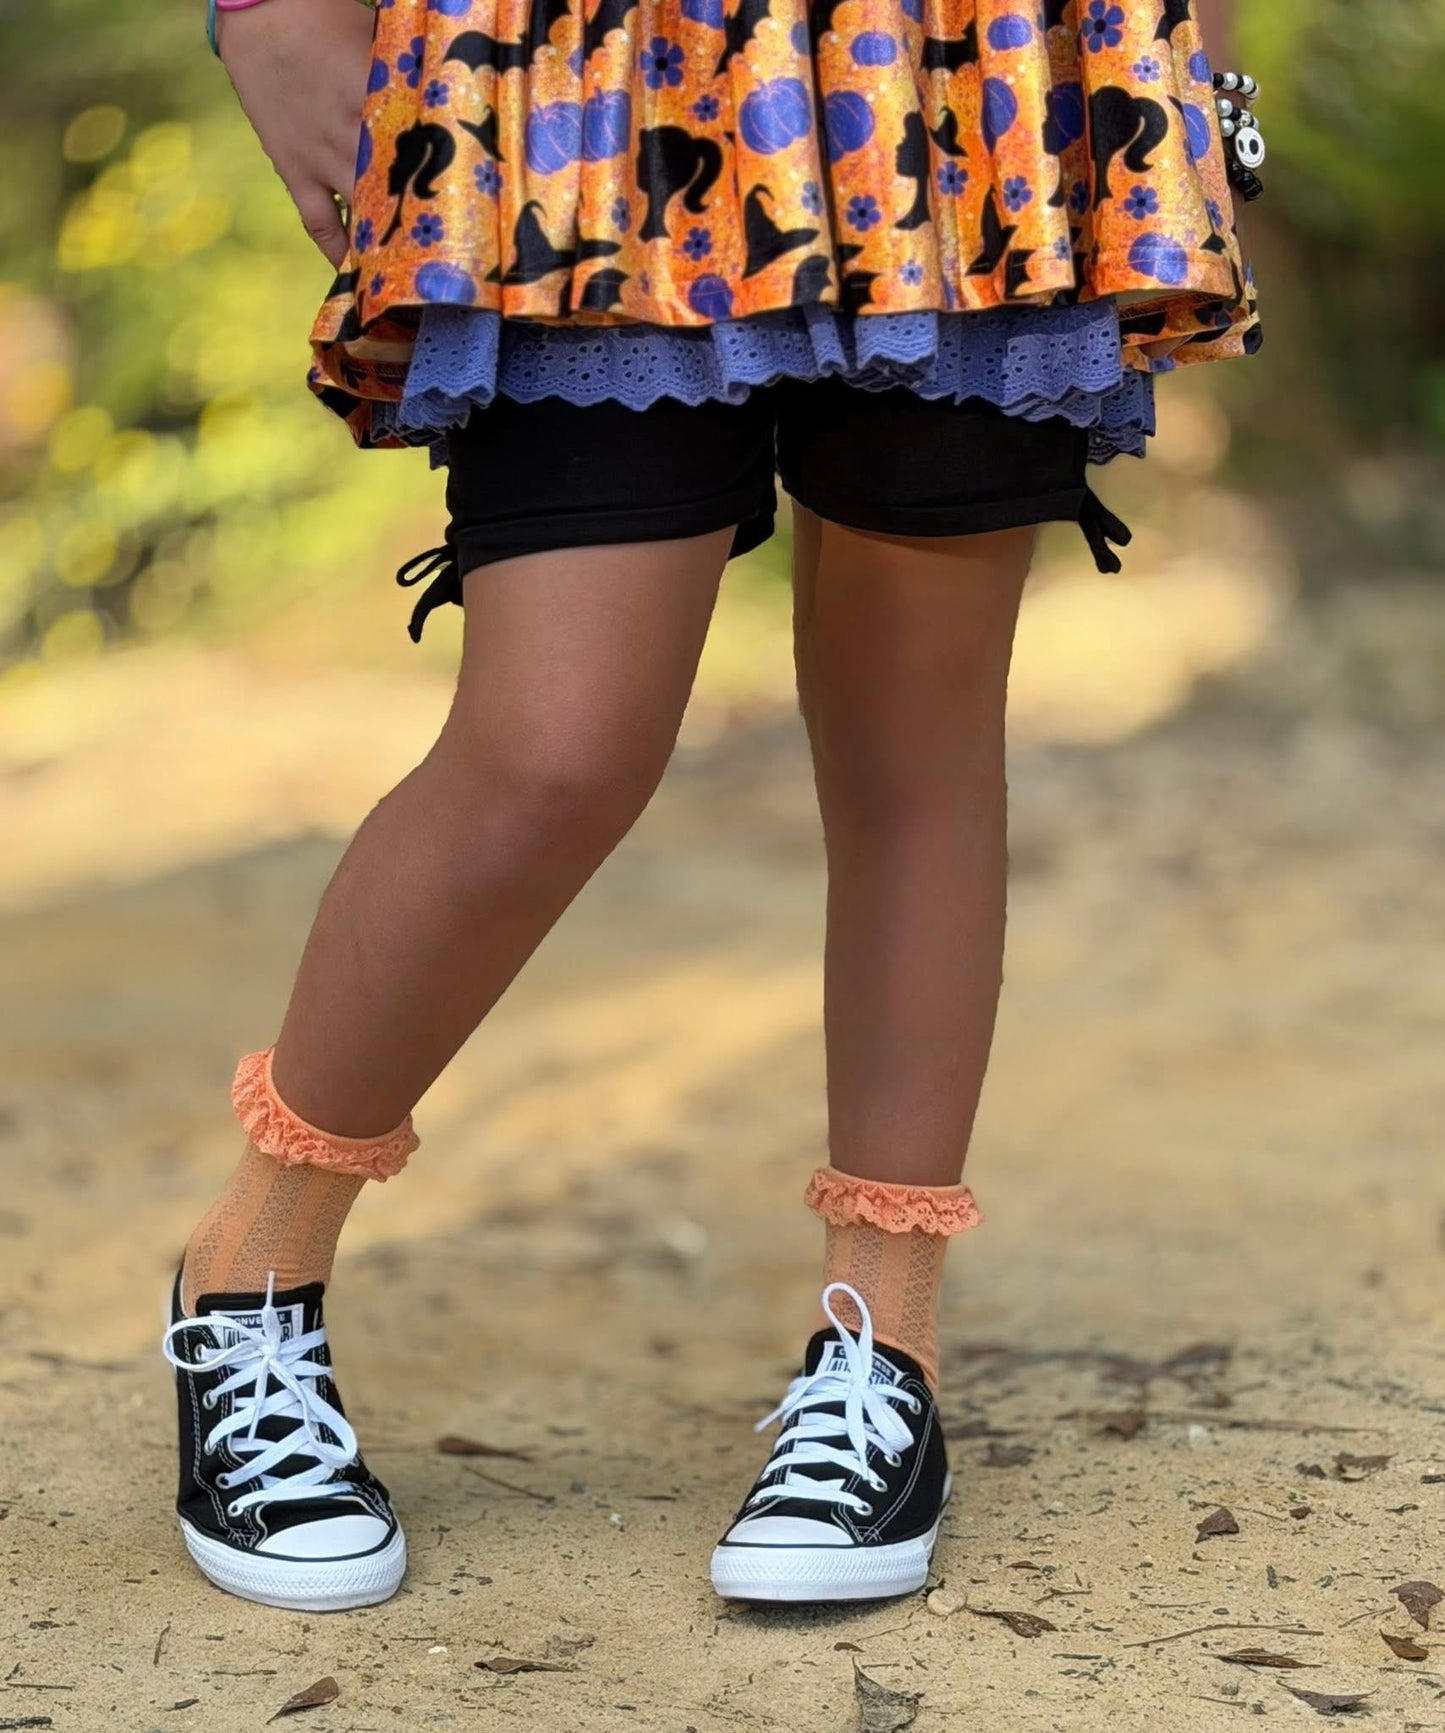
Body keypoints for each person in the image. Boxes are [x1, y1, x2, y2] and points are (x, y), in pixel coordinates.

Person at [162, 0, 1258, 1611]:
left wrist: (1192, 65)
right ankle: (246, 1271)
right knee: (556, 747)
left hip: (979, 65)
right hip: (588, 70)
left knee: (917, 732)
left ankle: (880, 1346)